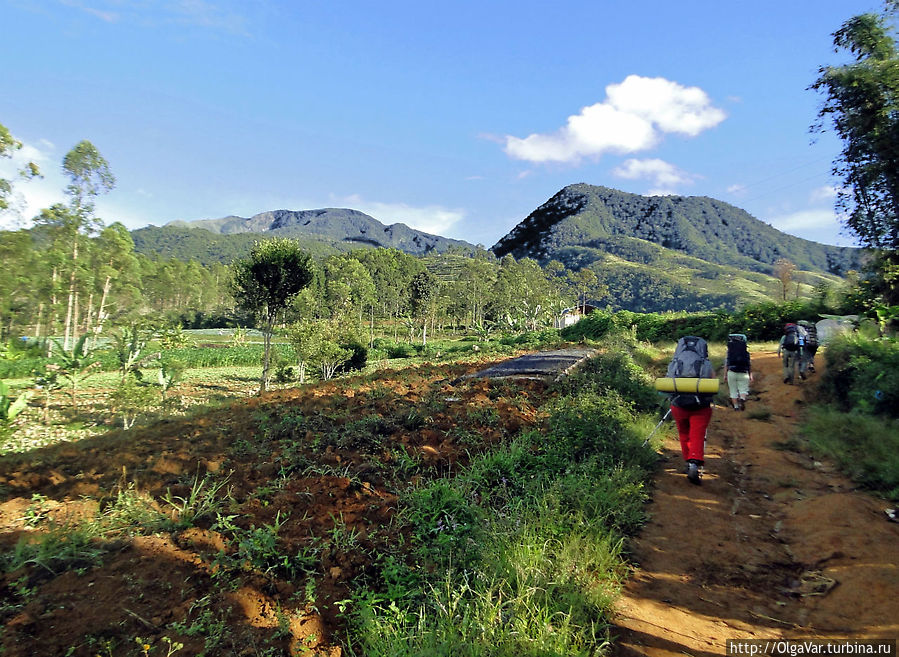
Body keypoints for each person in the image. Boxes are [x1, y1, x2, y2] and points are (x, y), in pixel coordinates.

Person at [666, 336, 717, 485]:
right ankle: (694, 462)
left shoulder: (675, 362)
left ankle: (688, 462)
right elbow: (713, 384)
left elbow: (668, 381)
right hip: (701, 406)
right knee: (697, 435)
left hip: (678, 404)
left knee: (683, 434)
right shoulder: (706, 363)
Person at [724, 333, 753, 410]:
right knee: (743, 389)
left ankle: (736, 407)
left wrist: (725, 375)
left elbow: (726, 364)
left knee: (733, 391)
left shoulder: (729, 353)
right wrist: (750, 375)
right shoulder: (746, 352)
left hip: (731, 372)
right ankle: (742, 398)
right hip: (744, 372)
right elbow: (749, 364)